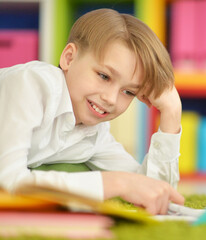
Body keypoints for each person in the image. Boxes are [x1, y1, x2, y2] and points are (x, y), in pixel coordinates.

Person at [0, 8, 185, 215]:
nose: (111, 99)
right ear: (69, 58)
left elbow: (153, 192)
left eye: (128, 92)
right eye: (104, 76)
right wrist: (116, 183)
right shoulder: (31, 85)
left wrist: (171, 113)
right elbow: (8, 181)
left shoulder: (94, 132)